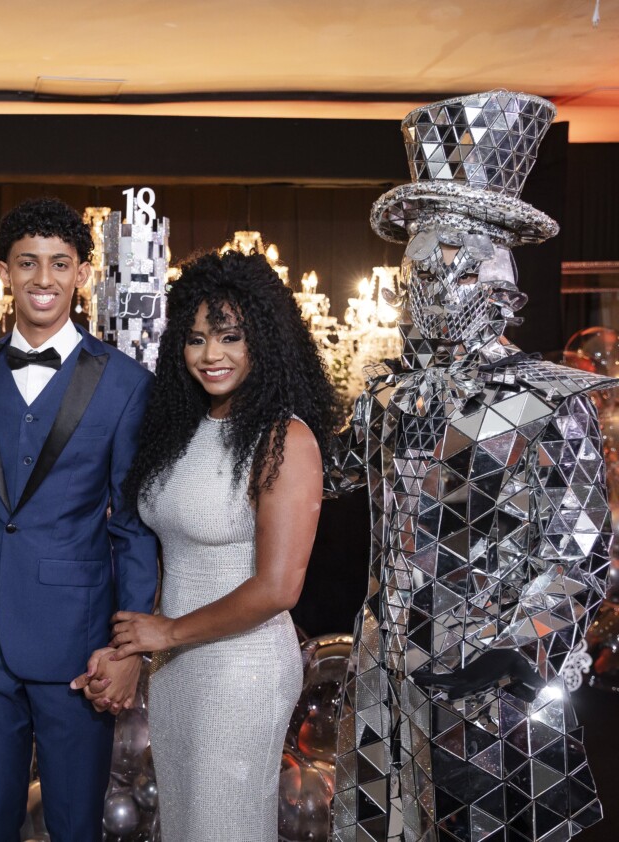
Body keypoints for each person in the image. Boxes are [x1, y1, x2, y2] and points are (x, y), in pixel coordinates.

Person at [330, 91, 609, 841]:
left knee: (489, 826)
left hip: (490, 688)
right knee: (383, 825)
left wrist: (518, 647)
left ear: (497, 281)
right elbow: (318, 476)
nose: (428, 291)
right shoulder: (387, 396)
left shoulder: (547, 401)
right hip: (385, 675)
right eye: (416, 274)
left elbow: (581, 555)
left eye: (448, 272)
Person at [104, 249, 339, 841]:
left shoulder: (284, 439)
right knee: (187, 827)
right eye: (196, 339)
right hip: (176, 669)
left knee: (222, 827)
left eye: (230, 337)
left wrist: (167, 632)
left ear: (264, 340)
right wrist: (138, 645)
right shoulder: (181, 431)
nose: (211, 355)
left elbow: (278, 588)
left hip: (243, 669)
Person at [0, 197, 159, 841]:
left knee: (73, 823)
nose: (43, 278)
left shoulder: (125, 383)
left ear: (82, 273)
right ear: (3, 272)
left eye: (60, 263)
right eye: (27, 262)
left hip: (77, 641)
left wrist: (127, 650)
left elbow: (133, 526)